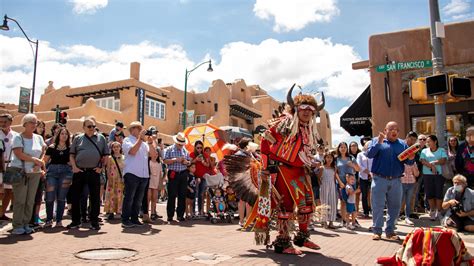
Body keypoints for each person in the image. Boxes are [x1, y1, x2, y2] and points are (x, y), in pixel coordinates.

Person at [253, 85, 325, 254]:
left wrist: (310, 162)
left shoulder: (308, 130)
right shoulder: (285, 123)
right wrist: (265, 167)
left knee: (307, 205)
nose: (307, 112)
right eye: (303, 108)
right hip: (282, 171)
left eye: (311, 109)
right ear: (296, 109)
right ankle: (283, 242)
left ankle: (302, 237)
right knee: (285, 205)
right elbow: (265, 141)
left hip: (300, 172)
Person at [367, 121, 415, 241]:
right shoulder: (376, 140)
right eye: (391, 129)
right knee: (378, 206)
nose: (394, 131)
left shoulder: (402, 144)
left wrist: (411, 158)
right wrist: (379, 142)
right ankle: (377, 231)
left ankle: (390, 231)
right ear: (385, 130)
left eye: (396, 129)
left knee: (395, 206)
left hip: (396, 180)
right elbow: (370, 154)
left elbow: (408, 162)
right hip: (379, 179)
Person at [68, 117, 109, 230]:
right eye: (89, 126)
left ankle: (94, 221)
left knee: (95, 198)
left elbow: (105, 155)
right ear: (83, 128)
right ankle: (76, 221)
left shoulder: (101, 138)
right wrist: (74, 167)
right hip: (79, 171)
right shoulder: (77, 139)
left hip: (94, 172)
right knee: (76, 197)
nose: (92, 128)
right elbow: (72, 154)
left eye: (93, 126)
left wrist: (101, 167)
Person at [10, 114, 46, 235]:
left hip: (34, 173)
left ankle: (26, 223)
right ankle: (17, 224)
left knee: (30, 200)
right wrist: (35, 160)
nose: (34, 124)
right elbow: (19, 153)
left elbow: (43, 151)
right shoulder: (18, 137)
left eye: (35, 122)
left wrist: (39, 163)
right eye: (31, 122)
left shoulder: (39, 138)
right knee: (20, 200)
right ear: (24, 123)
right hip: (21, 172)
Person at [121, 121, 157, 228]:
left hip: (143, 175)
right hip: (132, 173)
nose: (141, 130)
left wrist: (150, 143)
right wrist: (140, 139)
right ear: (132, 129)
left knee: (138, 199)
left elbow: (154, 156)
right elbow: (132, 151)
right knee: (129, 198)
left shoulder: (144, 143)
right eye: (138, 128)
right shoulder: (127, 140)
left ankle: (134, 218)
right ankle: (125, 219)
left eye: (141, 128)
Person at [43, 127, 73, 228]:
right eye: (62, 134)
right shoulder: (52, 147)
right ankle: (49, 220)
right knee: (50, 196)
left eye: (66, 134)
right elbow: (45, 160)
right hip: (52, 172)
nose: (64, 136)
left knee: (61, 197)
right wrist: (43, 170)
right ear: (58, 135)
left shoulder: (70, 148)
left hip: (66, 173)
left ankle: (59, 220)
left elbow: (72, 161)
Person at [163, 132, 190, 222]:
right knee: (172, 195)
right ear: (176, 142)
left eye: (182, 144)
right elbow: (165, 161)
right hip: (173, 174)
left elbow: (189, 162)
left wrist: (186, 162)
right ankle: (170, 215)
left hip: (183, 173)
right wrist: (175, 160)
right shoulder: (169, 149)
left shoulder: (185, 151)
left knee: (182, 195)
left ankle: (180, 215)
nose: (181, 146)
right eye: (180, 144)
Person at [420, 135, 448, 221]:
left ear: (435, 141)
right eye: (427, 142)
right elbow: (422, 160)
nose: (427, 143)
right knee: (429, 193)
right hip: (427, 175)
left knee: (438, 193)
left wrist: (433, 163)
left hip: (439, 175)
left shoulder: (441, 150)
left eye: (429, 141)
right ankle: (432, 210)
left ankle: (439, 211)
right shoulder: (424, 150)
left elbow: (443, 160)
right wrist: (431, 166)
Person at [336, 142, 360, 226]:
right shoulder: (337, 159)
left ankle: (353, 220)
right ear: (339, 149)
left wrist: (352, 165)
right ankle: (344, 220)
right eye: (341, 147)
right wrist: (339, 182)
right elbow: (335, 172)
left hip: (351, 183)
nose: (343, 149)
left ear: (347, 149)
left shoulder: (351, 157)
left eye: (344, 147)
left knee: (352, 202)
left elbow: (358, 169)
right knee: (343, 202)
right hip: (341, 183)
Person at [318, 152, 341, 229]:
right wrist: (322, 185)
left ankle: (331, 222)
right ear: (324, 158)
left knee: (332, 202)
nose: (329, 159)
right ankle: (324, 221)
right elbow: (319, 178)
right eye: (327, 157)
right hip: (324, 185)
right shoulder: (322, 168)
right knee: (324, 203)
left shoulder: (334, 168)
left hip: (332, 185)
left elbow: (335, 178)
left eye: (330, 157)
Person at [0, 113, 16, 222]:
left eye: (5, 122)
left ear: (10, 122)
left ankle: (2, 213)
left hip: (11, 166)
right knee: (0, 191)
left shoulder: (16, 135)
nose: (2, 124)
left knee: (9, 191)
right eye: (0, 122)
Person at [104, 141, 125, 220]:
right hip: (112, 179)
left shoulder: (124, 157)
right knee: (111, 195)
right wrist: (109, 179)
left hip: (120, 179)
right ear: (112, 148)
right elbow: (108, 168)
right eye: (114, 147)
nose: (116, 148)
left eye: (117, 147)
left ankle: (119, 210)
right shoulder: (110, 158)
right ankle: (111, 211)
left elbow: (124, 168)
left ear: (120, 148)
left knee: (120, 195)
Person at [189, 140, 210, 216]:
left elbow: (208, 165)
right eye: (198, 148)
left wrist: (204, 162)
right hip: (194, 176)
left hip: (203, 177)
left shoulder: (205, 155)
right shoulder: (192, 154)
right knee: (195, 193)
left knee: (201, 194)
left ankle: (201, 211)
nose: (199, 149)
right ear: (195, 147)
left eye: (201, 148)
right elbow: (189, 164)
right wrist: (196, 160)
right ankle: (193, 211)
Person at [400, 157, 419, 225]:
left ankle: (407, 217)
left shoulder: (414, 163)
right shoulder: (401, 162)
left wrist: (414, 167)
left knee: (408, 201)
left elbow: (417, 174)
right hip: (402, 182)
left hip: (411, 183)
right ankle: (396, 217)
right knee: (400, 200)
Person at [357, 141, 372, 218]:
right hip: (363, 177)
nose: (368, 145)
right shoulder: (360, 154)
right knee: (364, 195)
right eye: (367, 144)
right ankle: (366, 211)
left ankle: (372, 210)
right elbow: (359, 165)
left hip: (372, 177)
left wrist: (371, 172)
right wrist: (367, 171)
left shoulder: (373, 153)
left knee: (373, 194)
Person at [148, 146, 162, 221]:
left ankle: (153, 213)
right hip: (149, 182)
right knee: (148, 198)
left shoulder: (159, 163)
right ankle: (146, 212)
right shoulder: (148, 162)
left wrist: (160, 184)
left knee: (154, 198)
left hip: (156, 182)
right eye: (154, 153)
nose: (156, 155)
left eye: (157, 154)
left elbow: (160, 174)